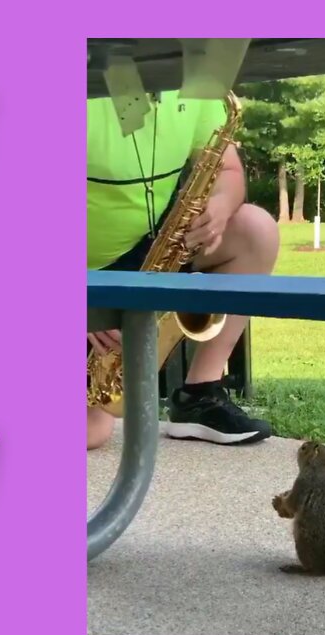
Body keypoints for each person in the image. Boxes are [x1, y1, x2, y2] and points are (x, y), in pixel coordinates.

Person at [87, 88, 280, 451]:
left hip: (152, 244)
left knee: (256, 231)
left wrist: (220, 205)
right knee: (92, 430)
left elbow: (228, 168)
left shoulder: (195, 80)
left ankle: (200, 396)